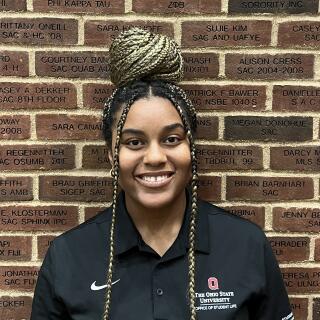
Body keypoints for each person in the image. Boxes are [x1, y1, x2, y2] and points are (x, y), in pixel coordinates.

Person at [30, 28, 294, 320]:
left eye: (171, 139)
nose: (155, 157)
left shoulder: (246, 246)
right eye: (134, 142)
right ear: (111, 155)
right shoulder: (68, 256)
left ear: (191, 147)